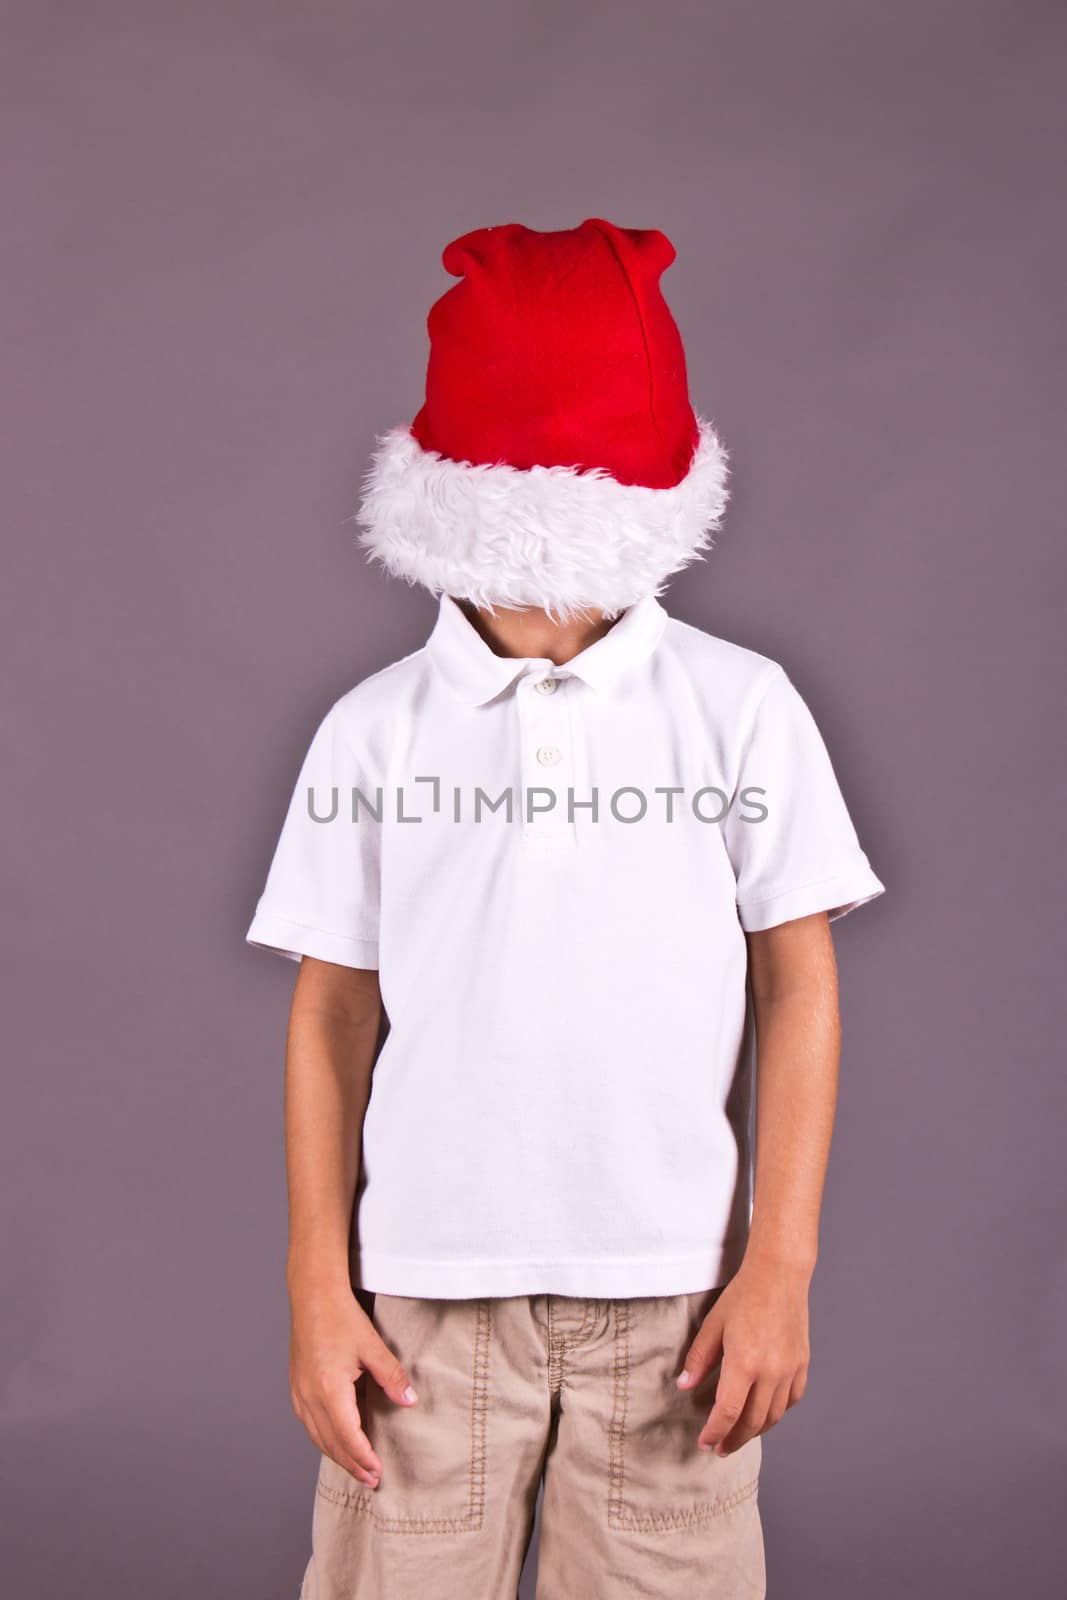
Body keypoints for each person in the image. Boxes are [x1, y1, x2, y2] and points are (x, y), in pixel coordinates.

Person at [246, 217, 885, 1599]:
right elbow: (330, 1012)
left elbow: (800, 985)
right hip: (418, 1302)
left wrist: (783, 1259)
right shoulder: (375, 733)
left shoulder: (740, 710)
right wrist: (317, 1279)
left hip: (674, 1307)